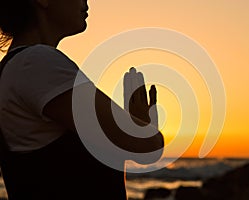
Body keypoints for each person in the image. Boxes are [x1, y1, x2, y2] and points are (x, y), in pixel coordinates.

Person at [0, 0, 164, 199]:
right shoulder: (37, 63)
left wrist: (136, 128)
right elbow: (148, 146)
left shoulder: (19, 67)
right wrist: (145, 128)